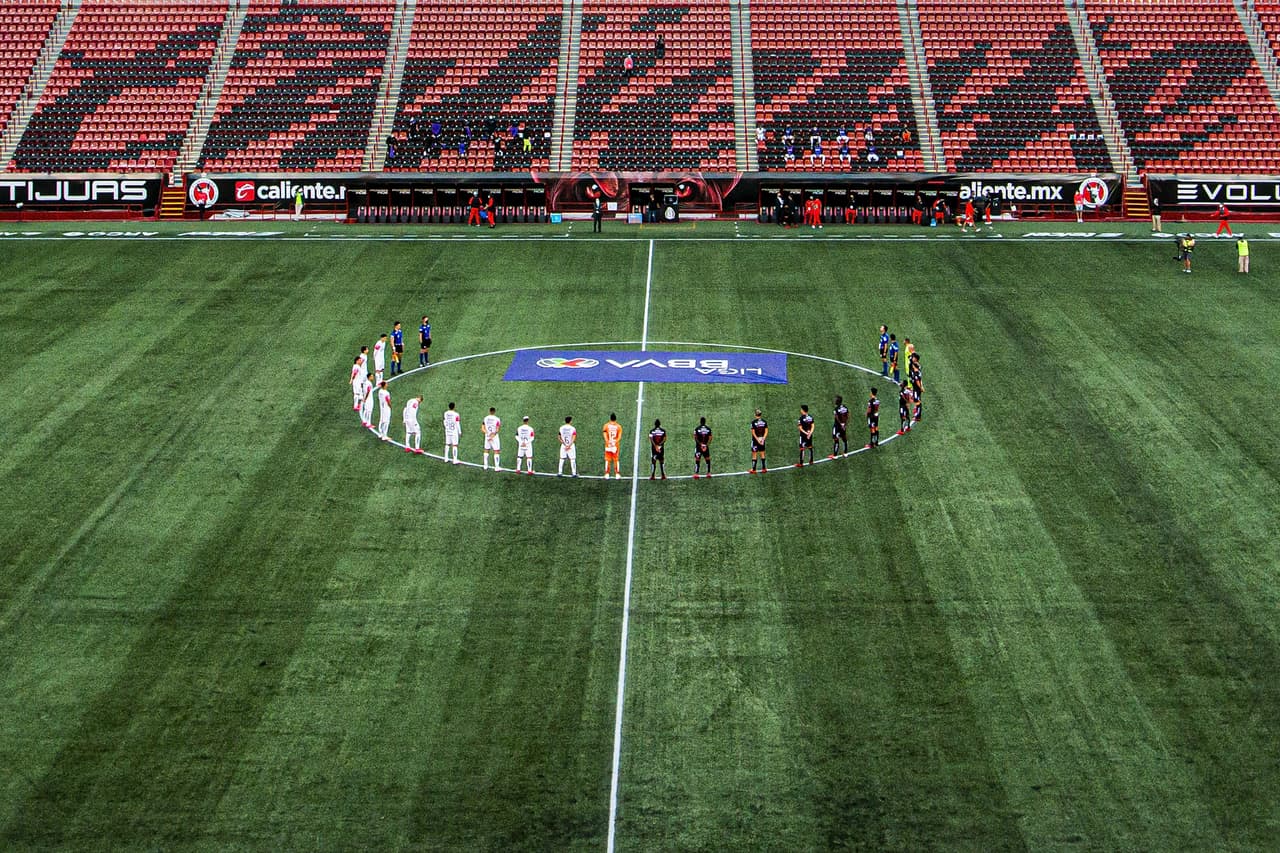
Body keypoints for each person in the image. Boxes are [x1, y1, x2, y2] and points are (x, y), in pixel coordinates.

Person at [602, 413, 623, 479]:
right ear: (615, 419)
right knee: (616, 459)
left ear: (610, 418)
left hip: (608, 445)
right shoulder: (618, 426)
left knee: (607, 459)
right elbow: (619, 437)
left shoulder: (606, 426)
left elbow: (605, 435)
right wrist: (614, 442)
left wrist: (608, 442)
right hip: (615, 445)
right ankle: (617, 474)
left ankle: (607, 474)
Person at [749, 409, 768, 473]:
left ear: (755, 415)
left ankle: (754, 469)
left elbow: (753, 432)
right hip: (762, 440)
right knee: (762, 454)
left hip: (755, 441)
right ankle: (764, 468)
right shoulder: (764, 422)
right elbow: (766, 431)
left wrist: (757, 439)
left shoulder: (753, 422)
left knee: (754, 454)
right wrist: (763, 439)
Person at [909, 352, 923, 422]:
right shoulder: (915, 366)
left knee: (917, 402)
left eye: (914, 357)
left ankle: (918, 416)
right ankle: (917, 412)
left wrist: (920, 387)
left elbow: (918, 380)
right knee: (917, 400)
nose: (912, 358)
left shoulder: (917, 370)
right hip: (916, 387)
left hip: (917, 388)